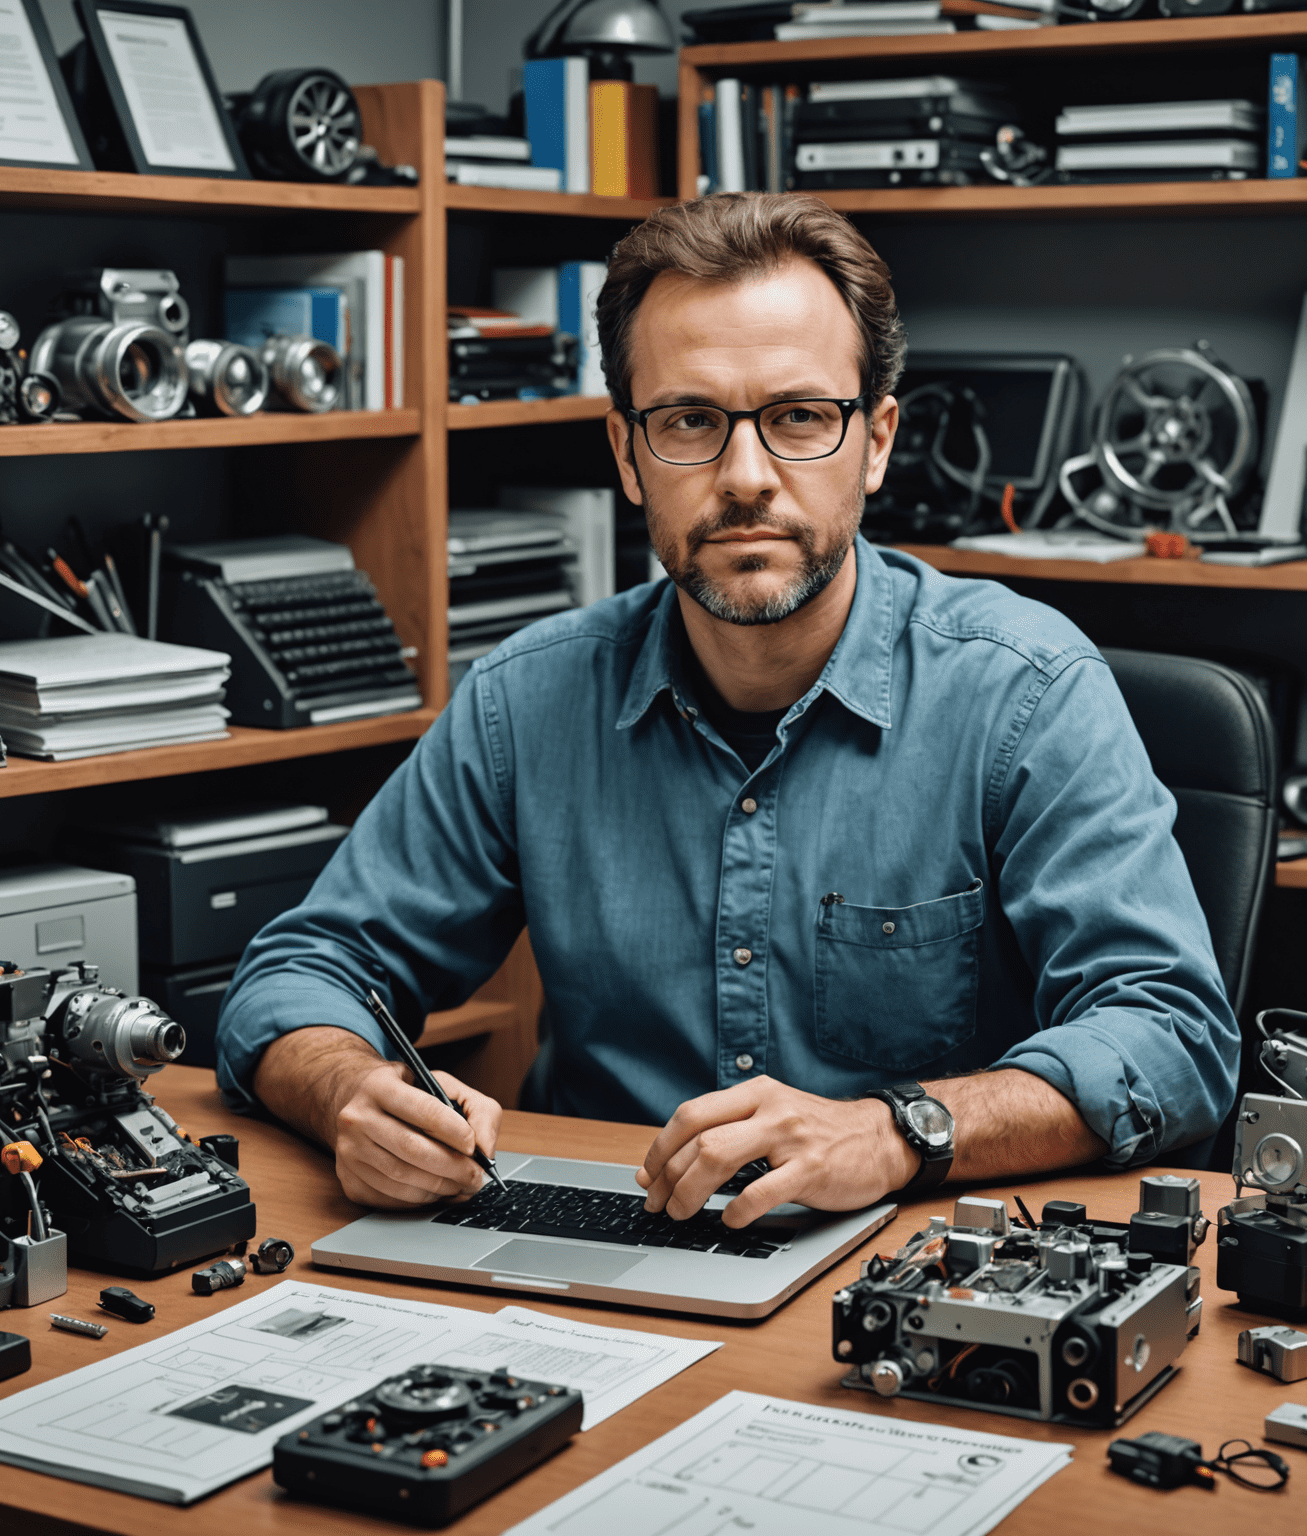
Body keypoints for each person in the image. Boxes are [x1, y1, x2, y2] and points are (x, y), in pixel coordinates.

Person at [216, 193, 1237, 1230]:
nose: (746, 478)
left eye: (799, 417)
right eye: (690, 422)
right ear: (626, 454)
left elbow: (1173, 1035)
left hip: (922, 1265)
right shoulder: (524, 703)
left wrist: (895, 1132)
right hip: (598, 1253)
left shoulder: (1028, 692)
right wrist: (351, 1091)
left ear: (875, 442)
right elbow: (301, 974)